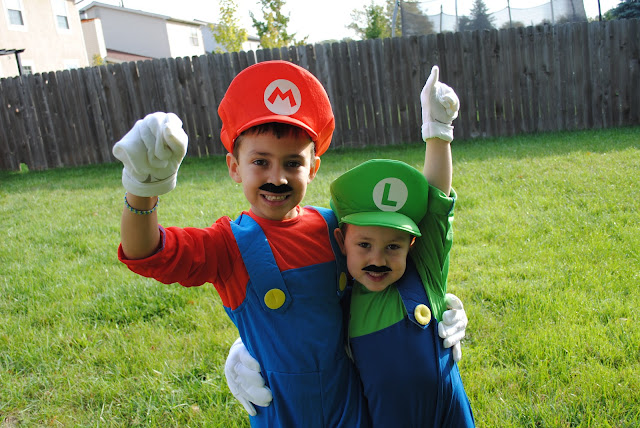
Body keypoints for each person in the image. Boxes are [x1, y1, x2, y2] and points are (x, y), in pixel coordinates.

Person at [112, 60, 467, 427]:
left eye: (293, 163)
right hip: (283, 412)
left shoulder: (333, 226)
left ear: (312, 168)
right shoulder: (227, 245)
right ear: (234, 167)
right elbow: (147, 252)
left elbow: (392, 251)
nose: (277, 178)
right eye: (260, 162)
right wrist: (142, 188)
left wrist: (431, 309)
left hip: (351, 408)